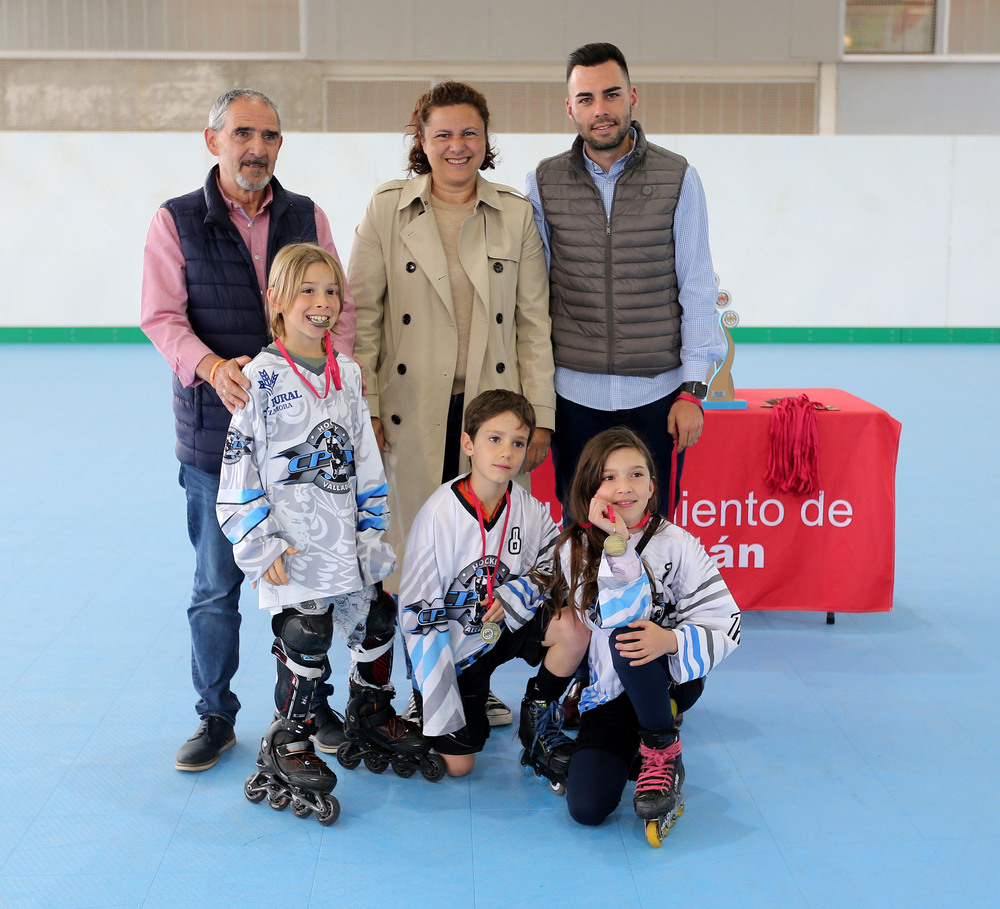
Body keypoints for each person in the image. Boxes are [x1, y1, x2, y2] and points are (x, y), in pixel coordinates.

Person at [141, 88, 356, 771]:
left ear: (279, 145)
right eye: (242, 134)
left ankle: (310, 704)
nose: (255, 148)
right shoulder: (175, 221)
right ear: (214, 141)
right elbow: (161, 316)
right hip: (214, 436)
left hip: (302, 449)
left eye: (268, 135)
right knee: (215, 585)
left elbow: (338, 313)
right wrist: (208, 366)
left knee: (309, 579)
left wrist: (334, 387)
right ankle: (215, 714)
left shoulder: (307, 215)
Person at [350, 80, 556, 726]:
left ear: (487, 140)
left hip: (490, 417)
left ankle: (475, 680)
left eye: (469, 133)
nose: (456, 146)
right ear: (422, 141)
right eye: (442, 134)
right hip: (409, 412)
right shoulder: (388, 209)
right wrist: (369, 404)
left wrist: (539, 414)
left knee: (485, 558)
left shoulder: (515, 214)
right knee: (415, 554)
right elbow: (363, 320)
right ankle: (418, 687)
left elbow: (532, 323)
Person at [218, 244, 436, 821]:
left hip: (346, 542)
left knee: (378, 619)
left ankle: (368, 711)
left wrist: (371, 531)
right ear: (279, 303)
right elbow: (238, 470)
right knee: (307, 632)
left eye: (330, 291)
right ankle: (288, 738)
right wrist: (257, 543)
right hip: (292, 547)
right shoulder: (258, 380)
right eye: (307, 291)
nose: (321, 303)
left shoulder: (348, 373)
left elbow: (365, 458)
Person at [526, 43, 726, 523]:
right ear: (570, 108)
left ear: (632, 96)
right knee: (580, 522)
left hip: (656, 397)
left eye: (611, 95)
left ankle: (650, 602)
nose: (601, 110)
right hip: (573, 396)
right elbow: (532, 295)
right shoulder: (544, 181)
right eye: (587, 99)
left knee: (652, 527)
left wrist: (692, 391)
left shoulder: (678, 177)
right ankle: (579, 600)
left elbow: (696, 286)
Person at [541, 427, 740, 838]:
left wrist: (671, 640)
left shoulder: (679, 543)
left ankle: (662, 748)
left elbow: (727, 621)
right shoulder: (573, 549)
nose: (624, 487)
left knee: (628, 641)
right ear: (590, 487)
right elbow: (615, 612)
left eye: (636, 475)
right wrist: (616, 542)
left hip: (666, 685)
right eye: (609, 477)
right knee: (587, 808)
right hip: (611, 696)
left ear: (653, 485)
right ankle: (636, 750)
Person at [398, 390, 591, 780]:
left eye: (517, 443)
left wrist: (520, 592)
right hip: (455, 650)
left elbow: (557, 561)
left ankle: (537, 720)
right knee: (458, 768)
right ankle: (426, 704)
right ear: (468, 444)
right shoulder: (438, 515)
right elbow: (417, 613)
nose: (506, 452)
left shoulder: (528, 507)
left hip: (506, 625)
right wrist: (437, 691)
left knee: (574, 627)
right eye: (494, 439)